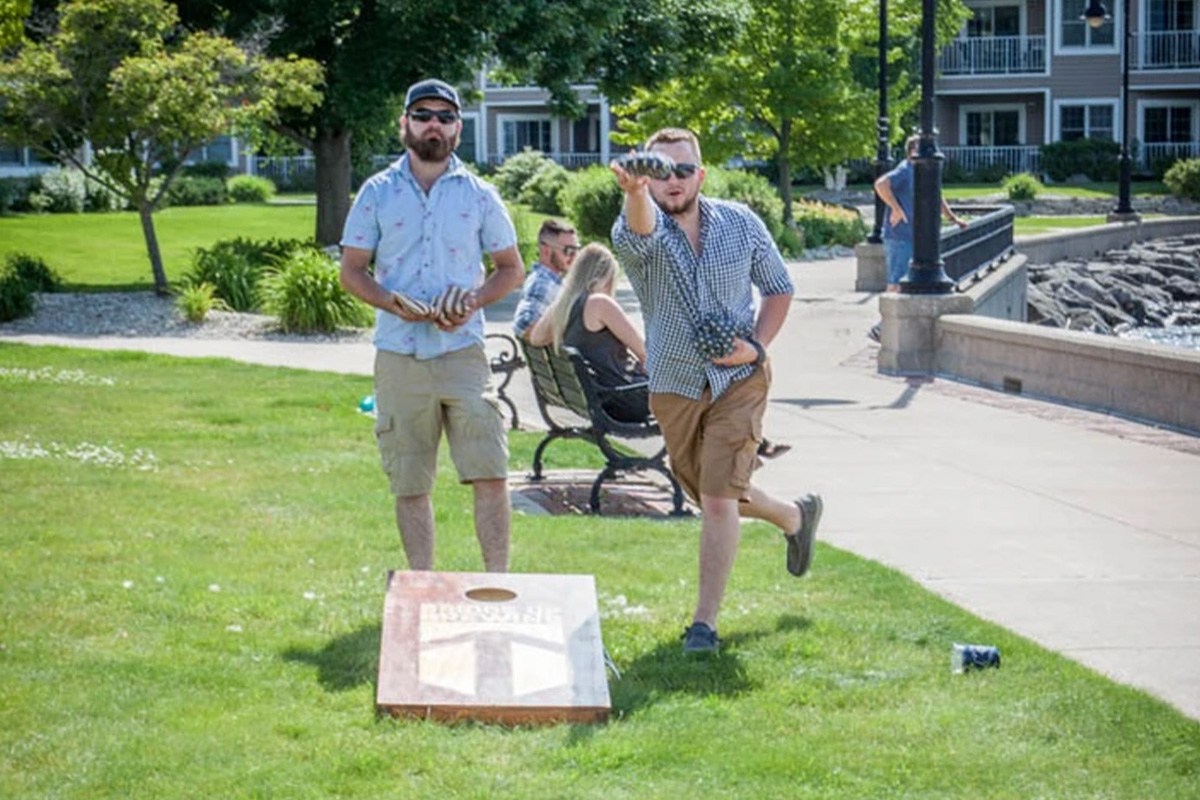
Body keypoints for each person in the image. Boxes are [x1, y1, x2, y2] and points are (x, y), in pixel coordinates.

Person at [610, 128, 823, 654]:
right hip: (675, 384)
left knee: (718, 499)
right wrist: (636, 191)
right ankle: (793, 517)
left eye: (684, 170)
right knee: (709, 493)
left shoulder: (741, 224)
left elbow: (779, 287)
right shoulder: (639, 227)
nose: (674, 181)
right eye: (662, 172)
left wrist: (757, 346)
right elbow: (639, 232)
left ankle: (703, 625)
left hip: (740, 381)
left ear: (701, 174)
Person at [339, 78, 524, 573]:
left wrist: (474, 300)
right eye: (423, 115)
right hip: (400, 354)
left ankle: (498, 586)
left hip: (463, 352)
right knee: (411, 482)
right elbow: (351, 271)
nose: (433, 125)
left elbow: (511, 268)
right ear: (405, 124)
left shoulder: (480, 195)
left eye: (444, 117)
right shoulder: (377, 193)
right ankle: (420, 588)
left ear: (458, 130)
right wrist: (393, 303)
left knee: (490, 472)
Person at [527, 242, 650, 423]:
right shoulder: (600, 303)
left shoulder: (563, 306)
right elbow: (646, 354)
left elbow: (535, 339)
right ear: (604, 278)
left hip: (599, 400)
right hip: (627, 399)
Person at [869, 134, 969, 341]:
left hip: (916, 237)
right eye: (926, 147)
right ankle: (882, 326)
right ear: (913, 151)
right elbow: (880, 184)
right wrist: (895, 209)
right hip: (899, 237)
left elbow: (937, 195)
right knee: (896, 281)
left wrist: (953, 218)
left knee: (904, 281)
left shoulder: (925, 173)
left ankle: (888, 326)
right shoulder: (906, 170)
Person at [512, 219, 580, 342]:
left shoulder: (546, 279)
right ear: (546, 250)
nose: (574, 257)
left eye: (576, 250)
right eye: (569, 251)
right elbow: (524, 326)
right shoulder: (543, 284)